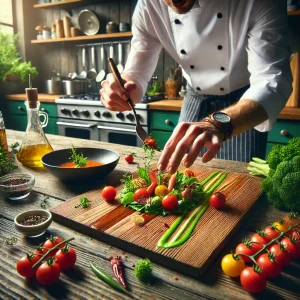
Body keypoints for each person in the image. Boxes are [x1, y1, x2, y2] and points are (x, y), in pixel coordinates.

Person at [100, 0, 292, 174]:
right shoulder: (148, 6)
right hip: (195, 98)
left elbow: (272, 80)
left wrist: (218, 123)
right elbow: (135, 74)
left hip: (244, 105)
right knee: (178, 175)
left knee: (238, 184)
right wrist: (122, 88)